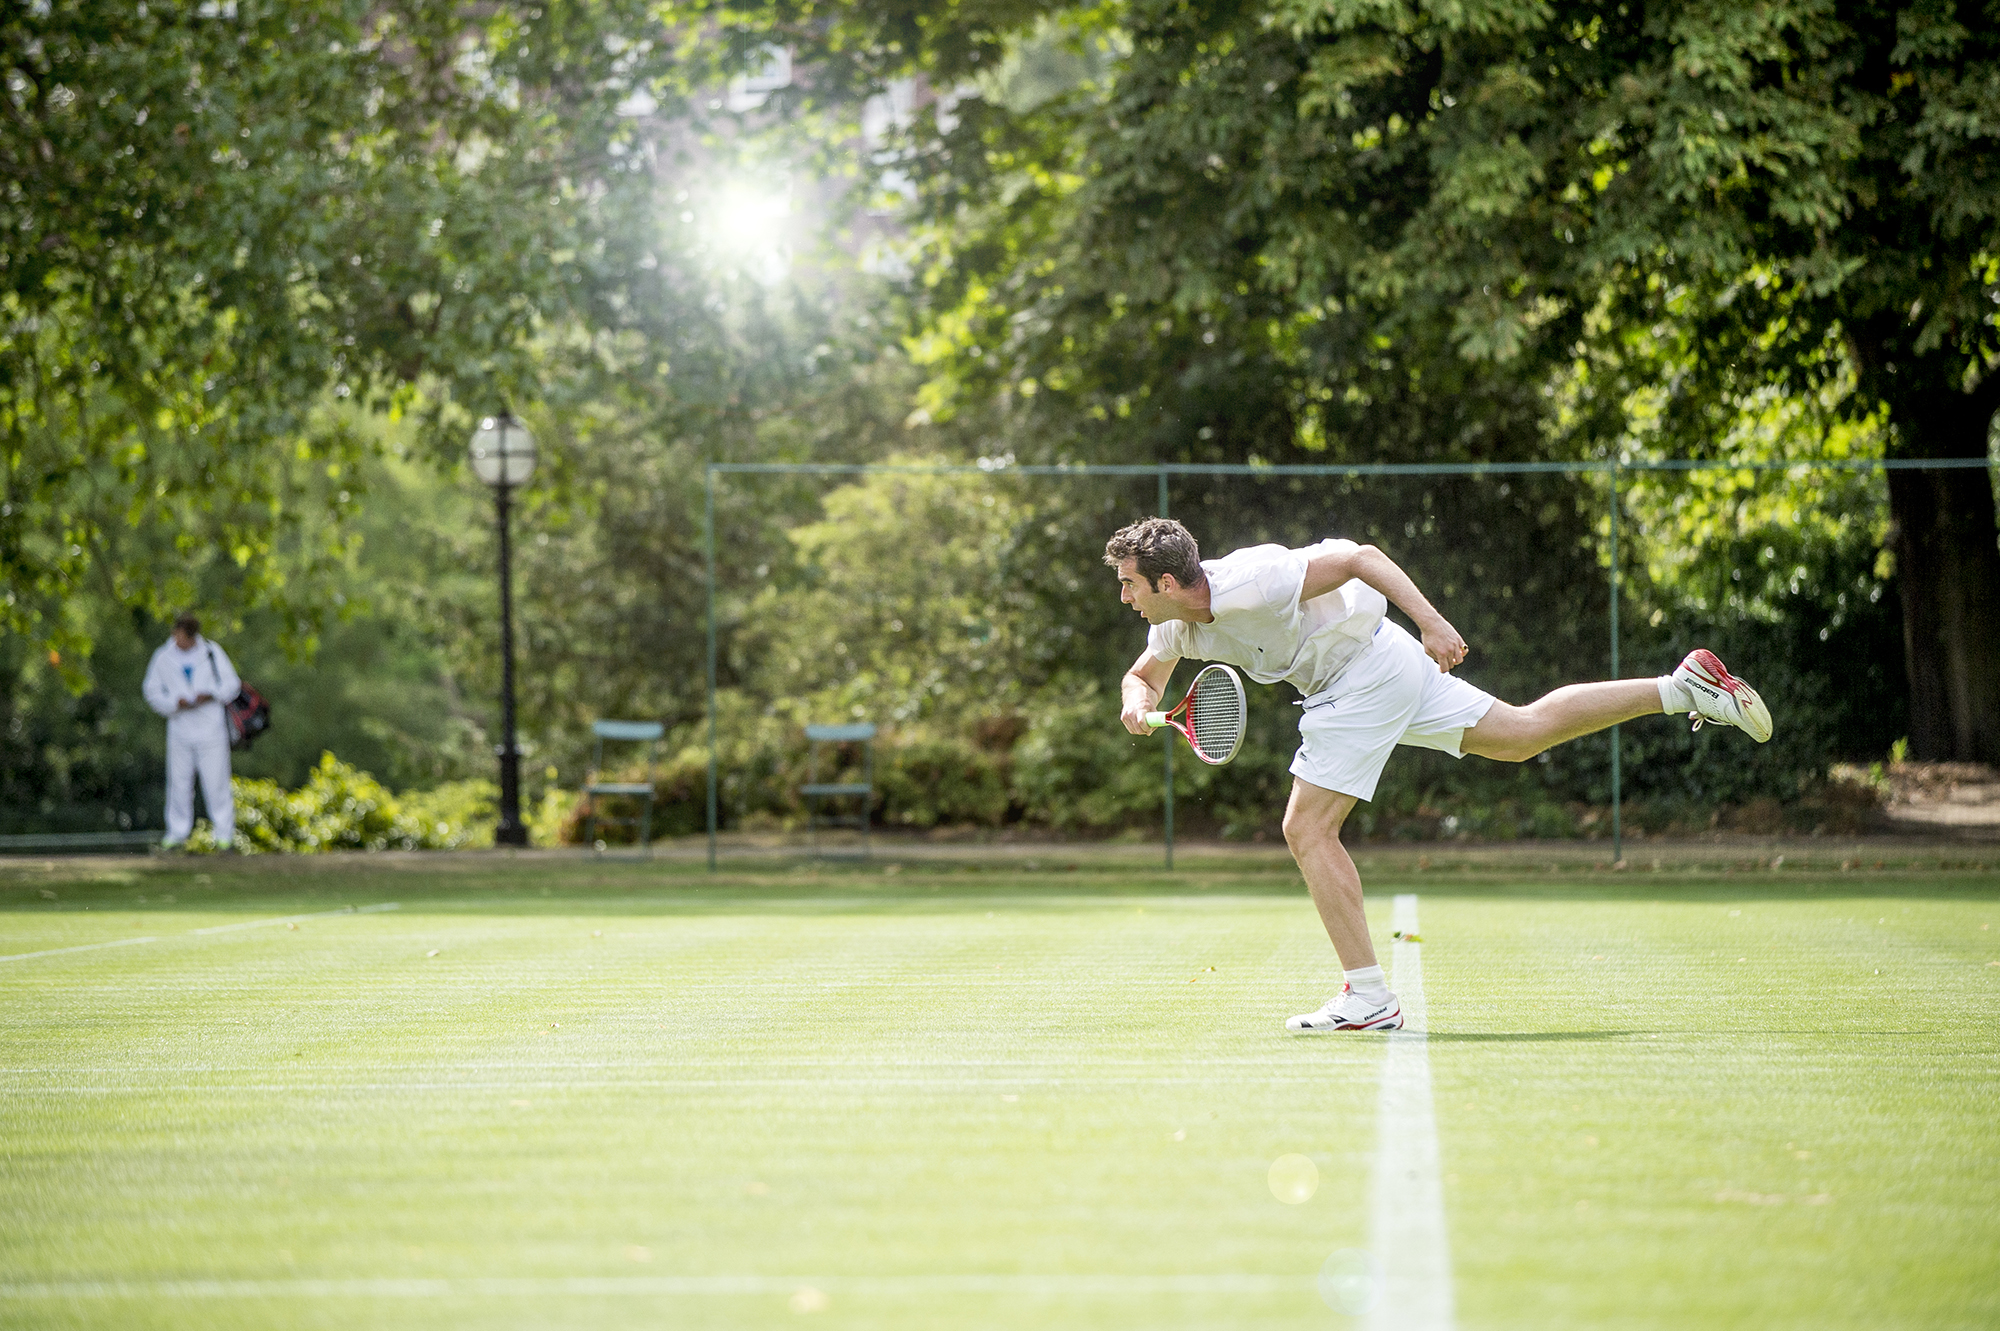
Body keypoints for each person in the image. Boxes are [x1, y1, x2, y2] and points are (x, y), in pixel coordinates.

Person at [1105, 518, 1771, 1034]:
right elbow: (1143, 676)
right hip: (1372, 667)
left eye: (1129, 582)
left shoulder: (1256, 580)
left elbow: (1361, 556)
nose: (1124, 594)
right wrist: (1137, 705)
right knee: (1520, 733)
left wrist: (1432, 620)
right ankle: (1679, 688)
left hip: (1364, 673)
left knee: (1306, 828)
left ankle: (1367, 995)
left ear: (1167, 583)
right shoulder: (1176, 629)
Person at [142, 612, 240, 852]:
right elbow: (151, 691)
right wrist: (175, 703)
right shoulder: (163, 657)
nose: (180, 641)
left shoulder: (211, 652)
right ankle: (177, 834)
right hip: (180, 730)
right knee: (179, 783)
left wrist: (209, 694)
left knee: (216, 783)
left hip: (211, 730)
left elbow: (232, 685)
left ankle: (224, 836)